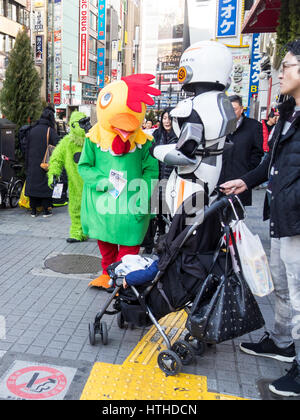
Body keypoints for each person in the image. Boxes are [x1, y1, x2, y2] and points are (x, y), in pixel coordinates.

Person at [220, 39, 300, 398]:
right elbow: (270, 163)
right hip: (281, 218)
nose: (280, 71)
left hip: (297, 219)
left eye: (288, 65)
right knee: (282, 286)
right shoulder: (288, 114)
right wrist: (246, 181)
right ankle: (283, 342)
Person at [218, 95, 264, 206]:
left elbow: (257, 153)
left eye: (234, 109)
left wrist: (247, 173)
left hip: (240, 178)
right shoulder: (220, 125)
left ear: (242, 108)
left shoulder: (254, 126)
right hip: (220, 180)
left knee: (237, 217)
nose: (231, 113)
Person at [25, 106, 59, 217]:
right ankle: (46, 210)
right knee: (45, 186)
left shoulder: (32, 130)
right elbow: (58, 146)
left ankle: (33, 210)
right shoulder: (50, 131)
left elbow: (26, 147)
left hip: (32, 163)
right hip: (45, 164)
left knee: (33, 186)